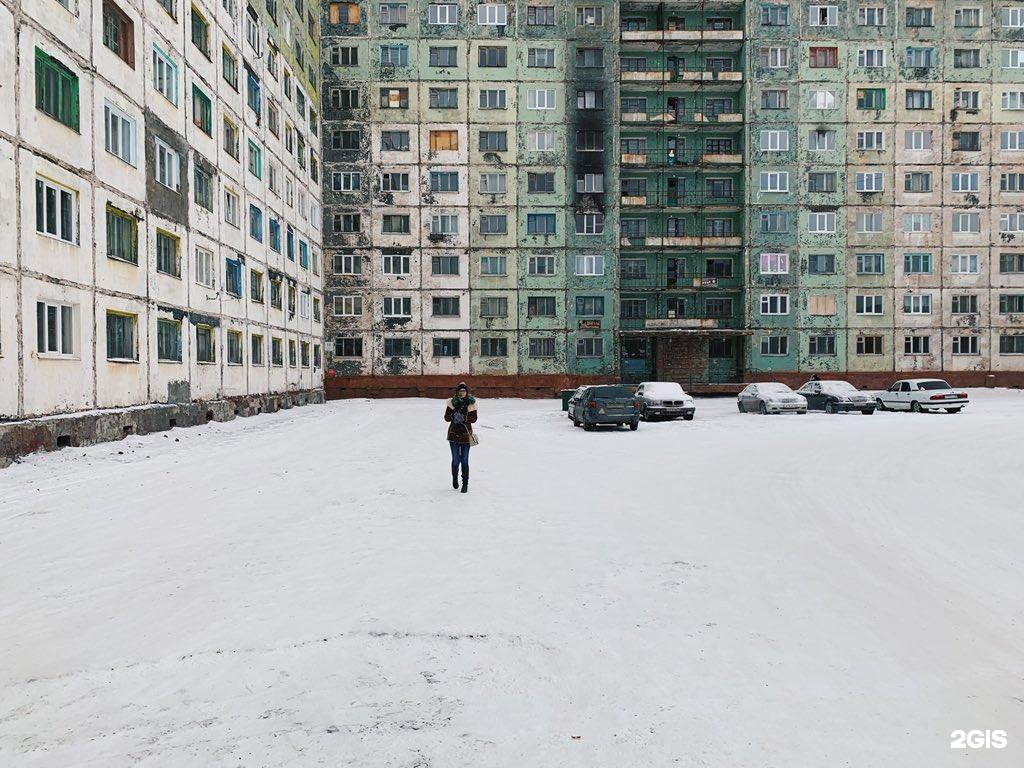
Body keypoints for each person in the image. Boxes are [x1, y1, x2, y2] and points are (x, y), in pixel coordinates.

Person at [444, 382, 477, 493]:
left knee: (464, 460)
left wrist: (463, 417)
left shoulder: (471, 403)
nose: (462, 393)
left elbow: (474, 418)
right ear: (457, 392)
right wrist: (453, 416)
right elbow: (446, 417)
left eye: (464, 391)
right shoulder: (452, 403)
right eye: (460, 391)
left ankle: (465, 484)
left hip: (466, 435)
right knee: (455, 460)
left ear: (467, 392)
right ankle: (454, 478)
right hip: (453, 435)